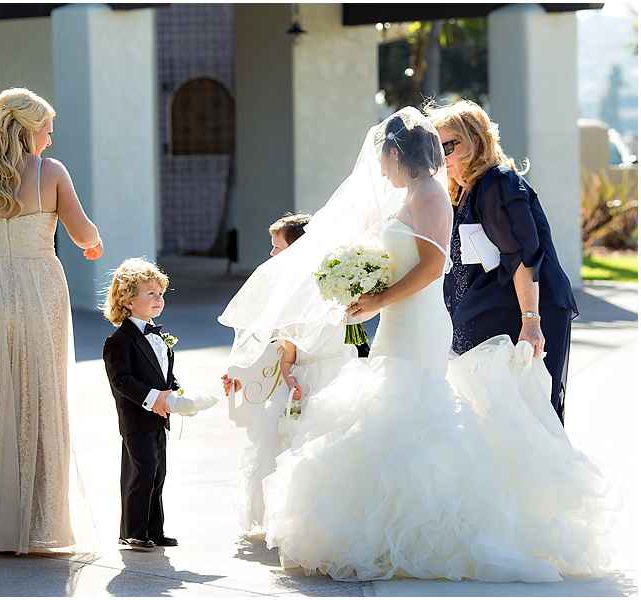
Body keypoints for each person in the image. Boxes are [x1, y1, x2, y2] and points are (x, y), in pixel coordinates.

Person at [221, 108, 614, 582]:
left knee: (411, 409)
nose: (378, 169)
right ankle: (379, 525)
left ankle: (424, 532)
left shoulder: (432, 194)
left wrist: (378, 298)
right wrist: (361, 280)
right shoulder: (419, 193)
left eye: (381, 158)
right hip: (399, 319)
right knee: (389, 412)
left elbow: (431, 266)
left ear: (394, 153)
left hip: (419, 322)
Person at [0, 88, 101, 555]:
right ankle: (40, 522)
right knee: (39, 394)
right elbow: (83, 231)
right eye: (47, 127)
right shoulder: (51, 173)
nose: (50, 136)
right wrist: (94, 244)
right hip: (39, 286)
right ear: (29, 128)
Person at [426, 99, 577, 425]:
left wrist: (531, 321)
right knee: (491, 413)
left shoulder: (496, 183)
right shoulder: (465, 190)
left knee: (529, 413)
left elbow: (523, 255)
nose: (440, 158)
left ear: (475, 141)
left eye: (447, 147)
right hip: (493, 308)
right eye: (434, 150)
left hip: (525, 308)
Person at [220, 213, 358, 531]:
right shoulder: (286, 295)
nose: (271, 254)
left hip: (339, 375)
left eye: (277, 247)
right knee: (290, 442)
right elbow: (283, 351)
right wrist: (247, 374)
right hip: (302, 382)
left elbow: (356, 323)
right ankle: (297, 522)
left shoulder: (337, 288)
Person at [103, 258, 200, 551]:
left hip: (160, 417)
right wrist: (153, 398)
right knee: (141, 472)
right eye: (150, 294)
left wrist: (177, 393)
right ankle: (132, 531)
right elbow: (122, 380)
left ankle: (154, 531)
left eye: (161, 294)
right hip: (137, 418)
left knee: (158, 474)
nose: (158, 299)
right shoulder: (119, 341)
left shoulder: (158, 336)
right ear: (128, 301)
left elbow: (165, 375)